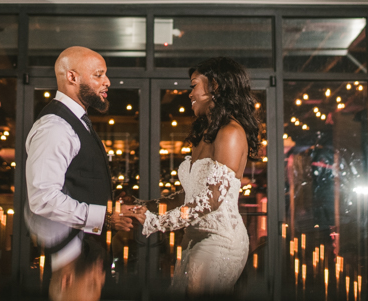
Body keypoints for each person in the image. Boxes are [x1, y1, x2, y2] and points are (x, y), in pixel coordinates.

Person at [125, 57, 260, 296]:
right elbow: (188, 197)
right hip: (192, 237)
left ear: (215, 86)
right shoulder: (205, 135)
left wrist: (155, 222)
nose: (190, 94)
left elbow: (211, 199)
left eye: (194, 85)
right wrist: (142, 206)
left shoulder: (230, 132)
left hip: (221, 240)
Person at [24, 46, 133, 297]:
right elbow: (43, 199)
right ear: (72, 77)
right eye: (98, 75)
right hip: (70, 264)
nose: (107, 82)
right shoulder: (55, 127)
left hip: (86, 255)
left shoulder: (76, 122)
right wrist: (104, 217)